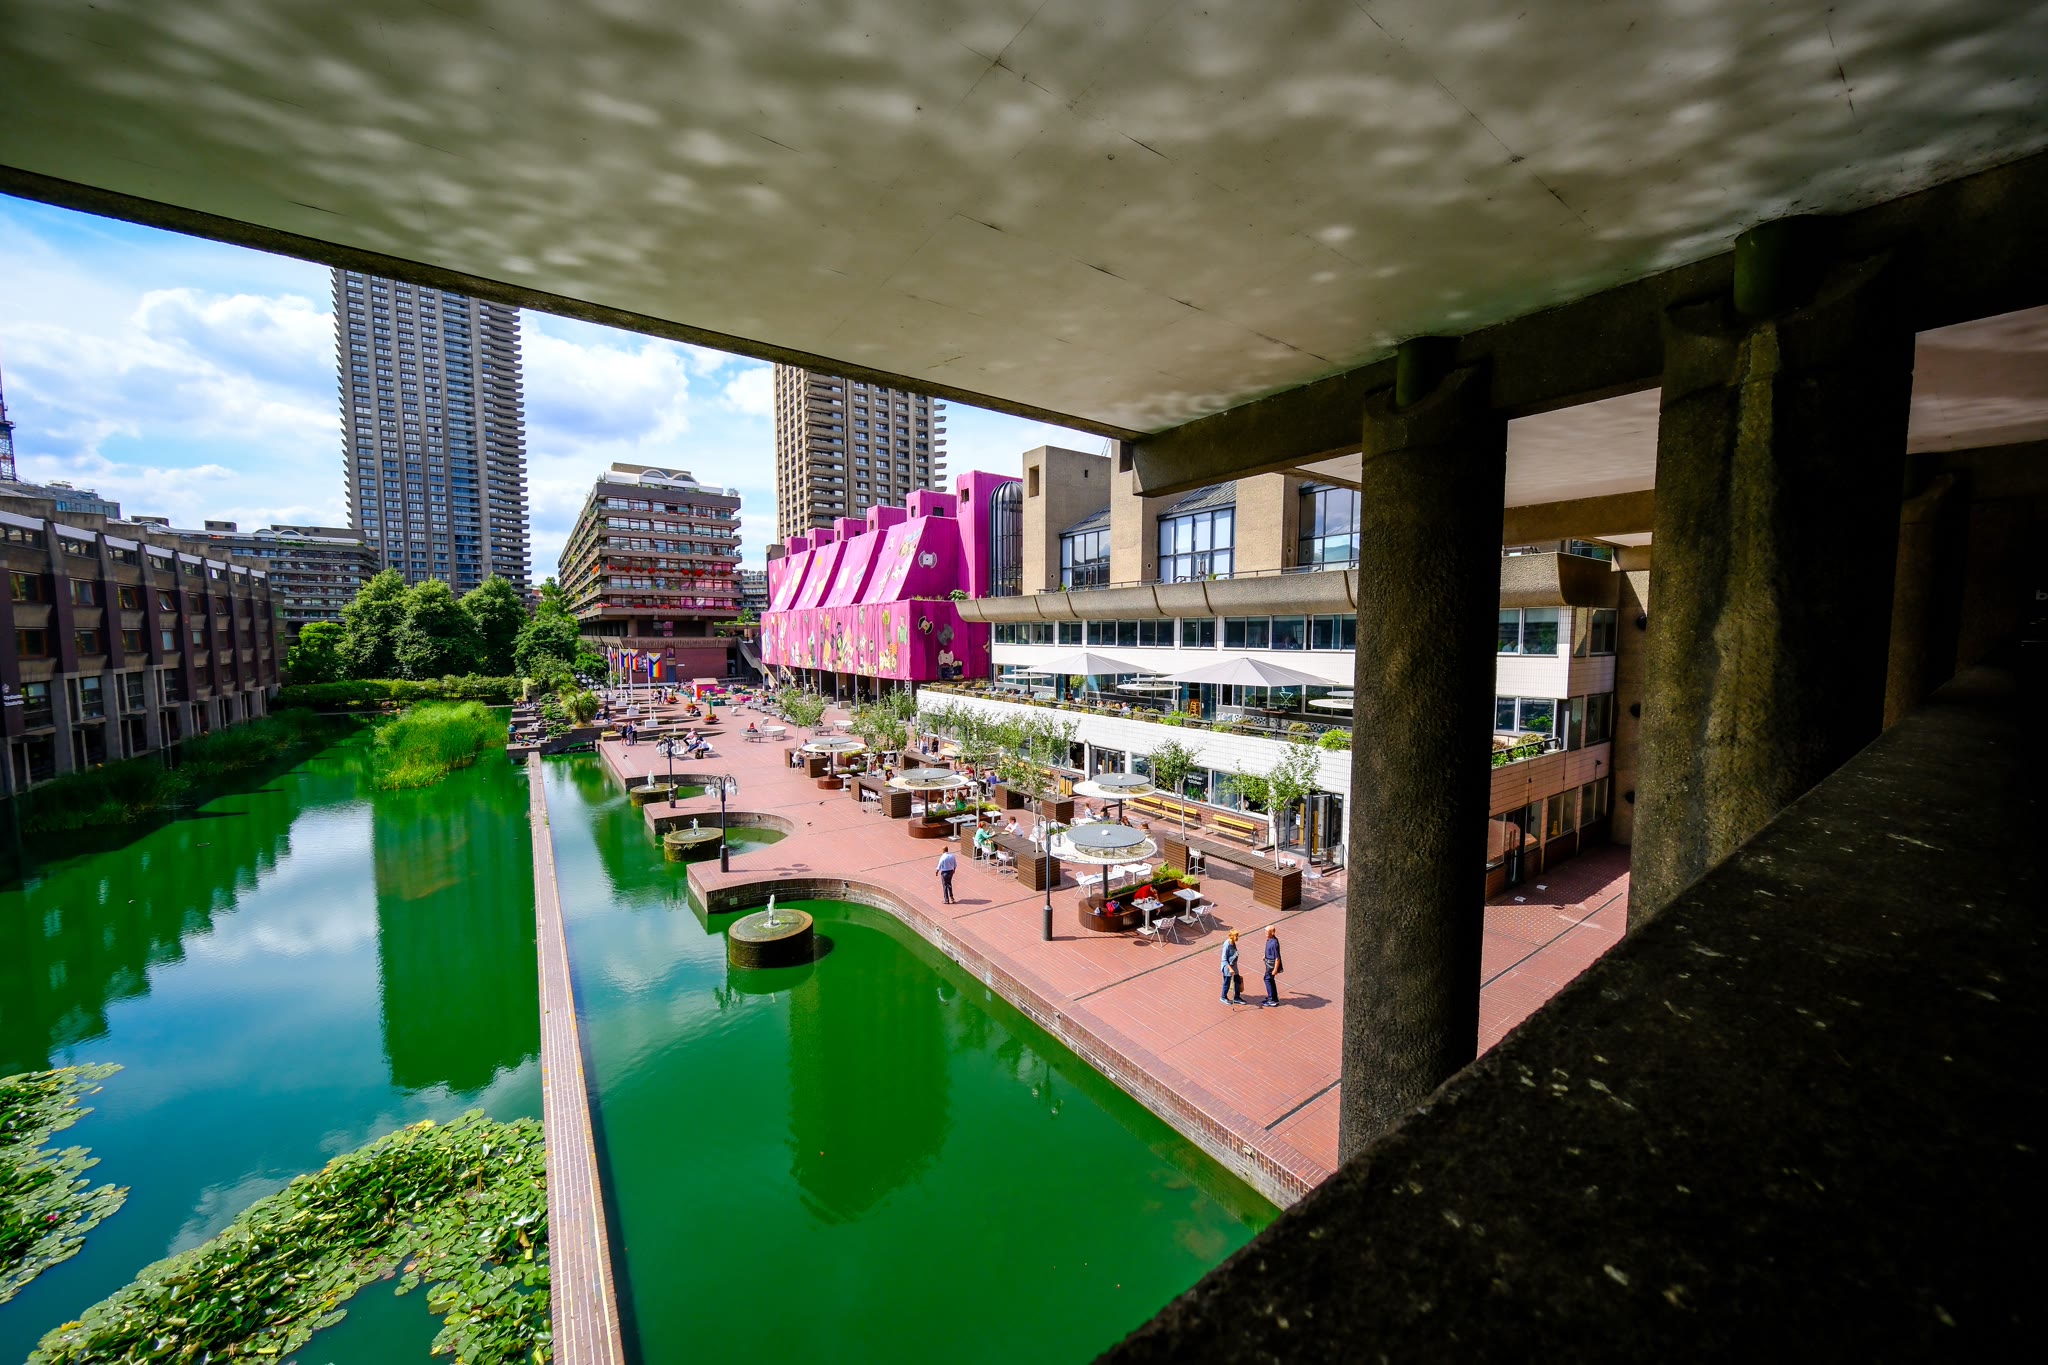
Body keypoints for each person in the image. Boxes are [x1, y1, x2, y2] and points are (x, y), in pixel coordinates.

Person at [1262, 926, 1285, 1007]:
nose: (1265, 933)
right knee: (1270, 980)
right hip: (1268, 963)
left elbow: (1277, 958)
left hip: (1271, 965)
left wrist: (1275, 969)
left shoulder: (1274, 943)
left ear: (1272, 932)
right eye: (1265, 931)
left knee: (1267, 979)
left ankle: (1272, 999)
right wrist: (1265, 955)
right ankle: (1273, 997)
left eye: (1267, 931)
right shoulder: (1270, 939)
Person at [1220, 931, 1244, 1004]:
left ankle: (1237, 997)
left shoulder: (1233, 943)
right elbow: (1224, 959)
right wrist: (1230, 969)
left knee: (1237, 980)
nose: (1237, 938)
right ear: (1231, 936)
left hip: (1234, 965)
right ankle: (1223, 997)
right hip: (1227, 966)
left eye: (1237, 936)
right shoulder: (1227, 944)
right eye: (1235, 936)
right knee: (1227, 982)